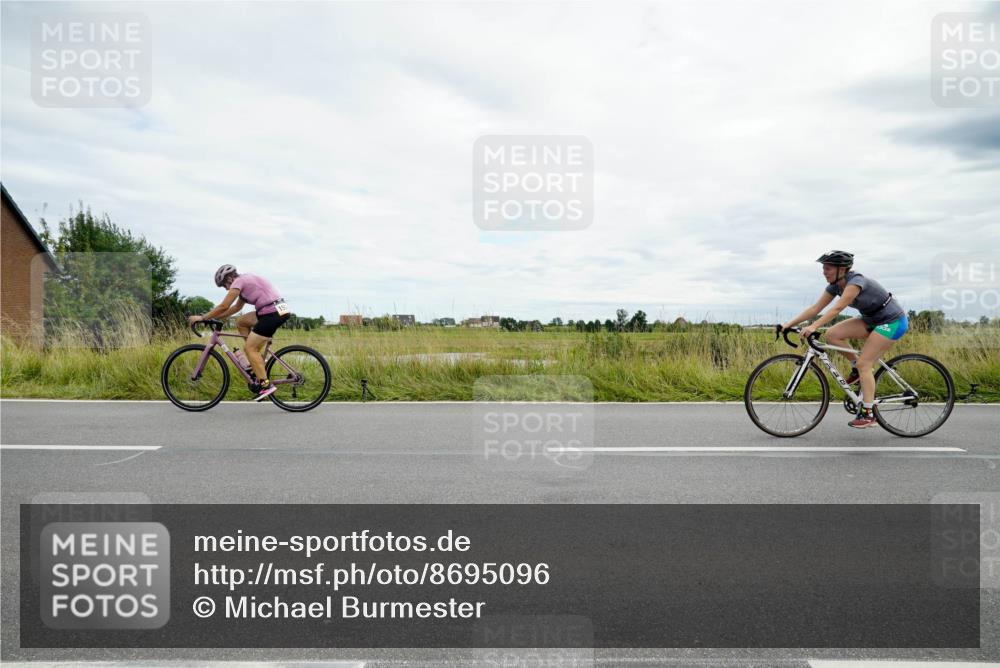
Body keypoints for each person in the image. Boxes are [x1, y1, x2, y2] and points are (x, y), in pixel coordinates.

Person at [780, 251, 909, 429]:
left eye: (828, 268)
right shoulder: (835, 286)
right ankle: (856, 369)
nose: (824, 272)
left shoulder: (855, 282)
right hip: (871, 320)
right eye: (823, 268)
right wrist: (788, 324)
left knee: (866, 364)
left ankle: (868, 413)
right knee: (832, 335)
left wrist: (813, 327)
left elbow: (837, 309)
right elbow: (816, 308)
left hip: (892, 321)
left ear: (842, 269)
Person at [187, 265, 291, 401]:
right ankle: (257, 360)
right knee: (241, 322)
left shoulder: (238, 282)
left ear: (229, 278)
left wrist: (202, 318)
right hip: (275, 309)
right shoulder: (245, 280)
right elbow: (236, 308)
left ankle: (266, 385)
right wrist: (214, 317)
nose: (226, 288)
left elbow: (224, 305)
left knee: (249, 348)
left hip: (271, 313)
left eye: (224, 284)